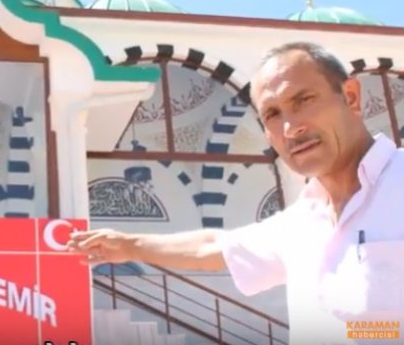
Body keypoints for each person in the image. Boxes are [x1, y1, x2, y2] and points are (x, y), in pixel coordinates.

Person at [67, 42, 404, 344]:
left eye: (303, 100)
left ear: (350, 97)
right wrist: (128, 245)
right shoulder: (302, 222)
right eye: (272, 114)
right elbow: (214, 247)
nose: (291, 128)